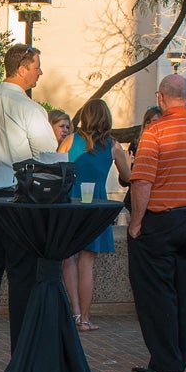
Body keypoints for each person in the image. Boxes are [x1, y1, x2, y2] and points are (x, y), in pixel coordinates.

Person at [0, 45, 59, 363]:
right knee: (22, 271)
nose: (40, 72)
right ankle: (22, 347)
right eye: (36, 66)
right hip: (16, 196)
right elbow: (48, 156)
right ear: (21, 69)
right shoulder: (29, 109)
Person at [125, 75, 186, 372]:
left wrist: (136, 223)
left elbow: (142, 181)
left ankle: (165, 360)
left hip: (161, 219)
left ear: (161, 98)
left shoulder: (155, 132)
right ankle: (180, 356)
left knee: (154, 291)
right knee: (182, 290)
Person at [62, 99, 119, 330]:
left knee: (68, 259)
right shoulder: (113, 146)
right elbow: (128, 174)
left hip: (71, 202)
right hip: (96, 204)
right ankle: (85, 318)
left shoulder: (69, 140)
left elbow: (57, 169)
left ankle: (75, 314)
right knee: (87, 263)